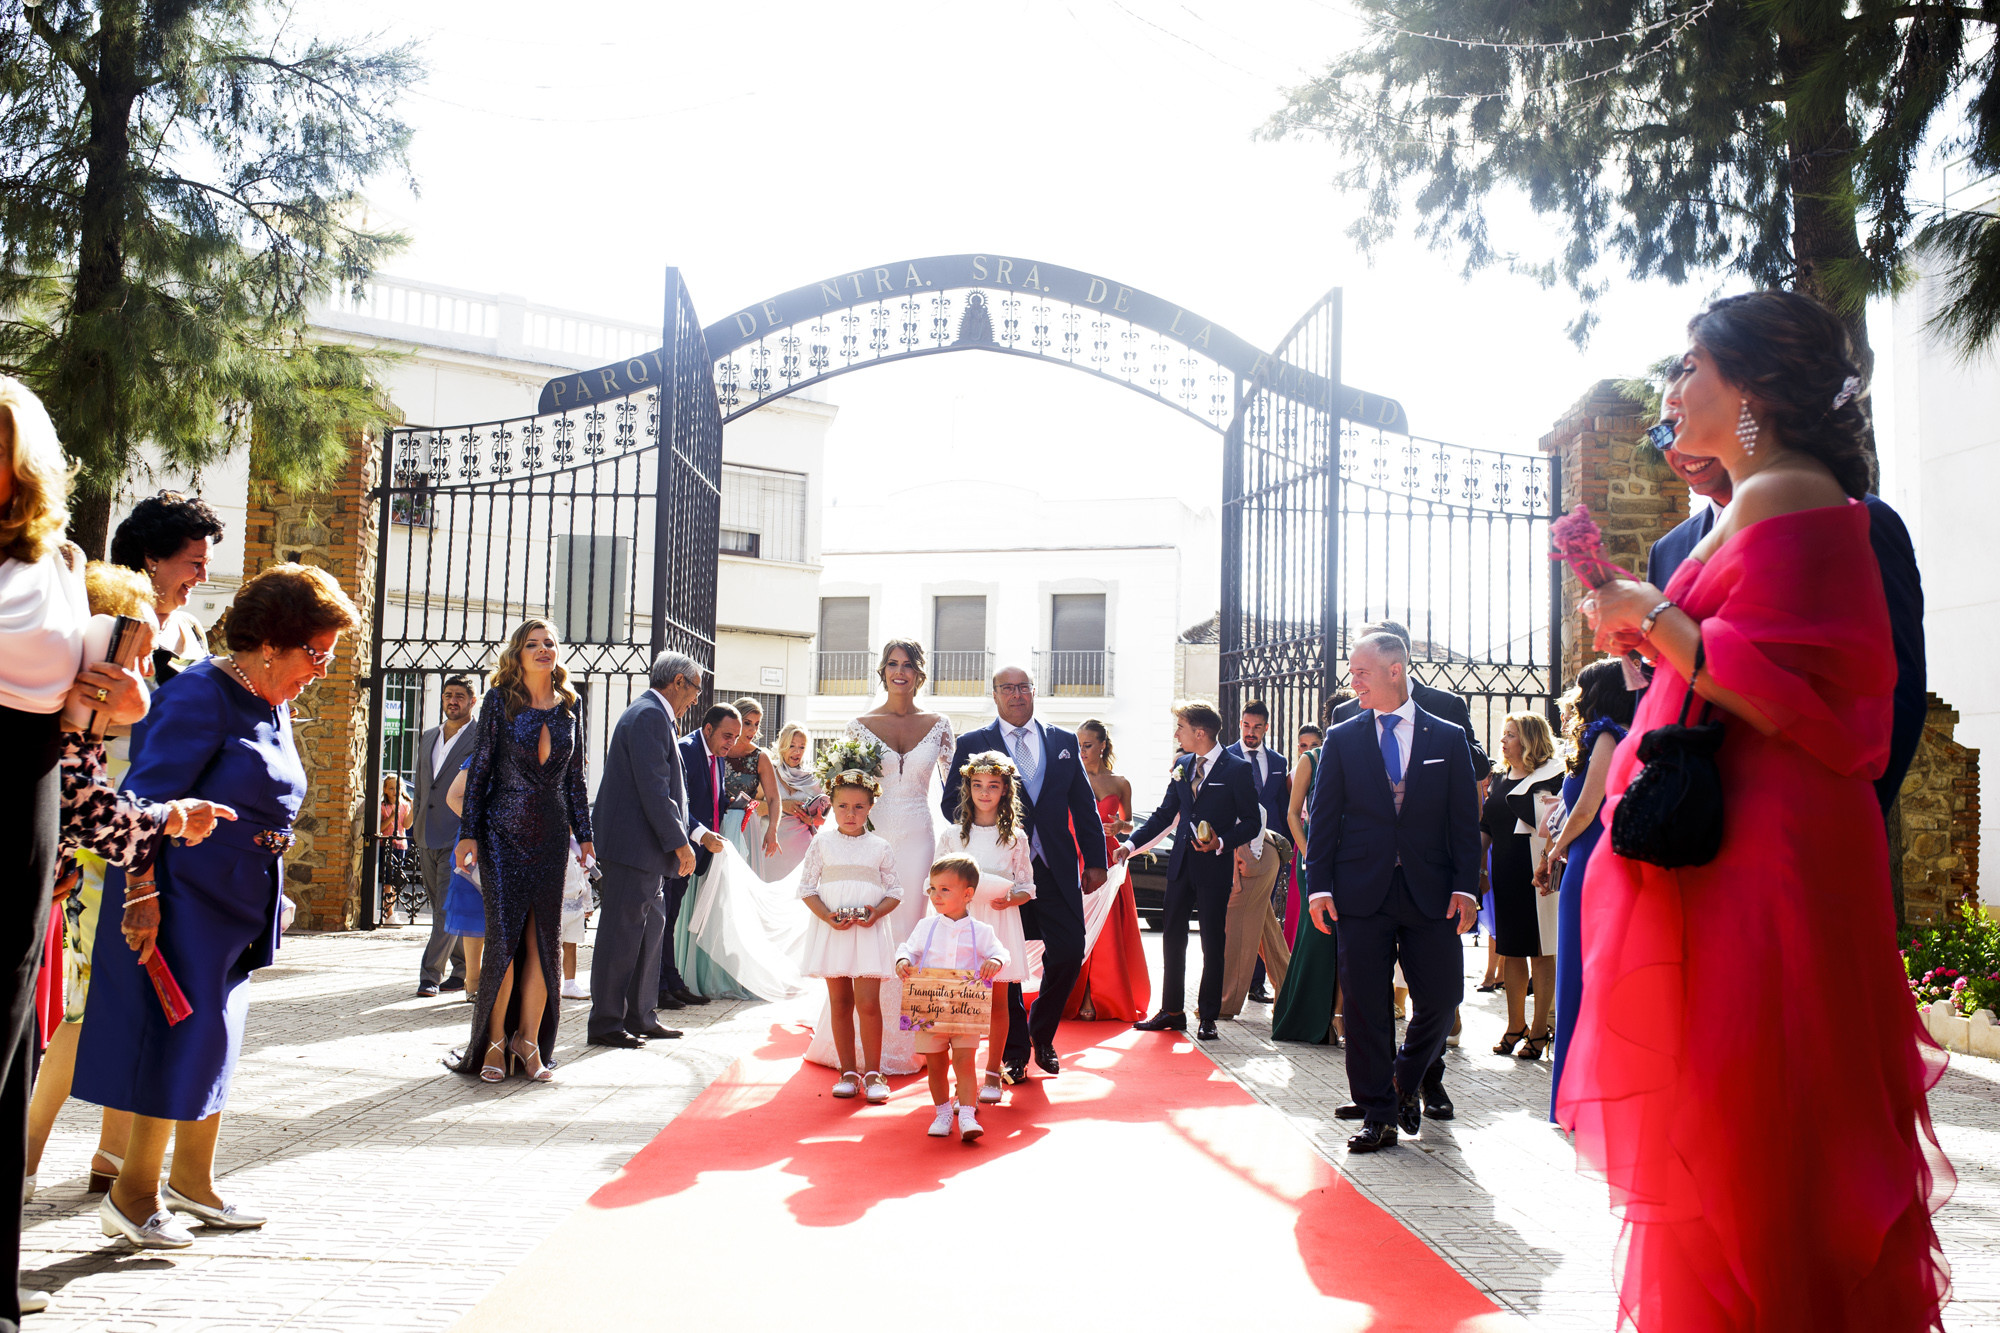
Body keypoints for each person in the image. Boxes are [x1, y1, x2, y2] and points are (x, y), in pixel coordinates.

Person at [1564, 292, 1950, 1328]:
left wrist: (1650, 617)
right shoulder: (1753, 495)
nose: (1671, 389)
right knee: (1732, 1110)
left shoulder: (1790, 493)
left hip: (1770, 848)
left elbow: (1816, 698)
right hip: (1733, 840)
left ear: (1753, 390)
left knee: (1760, 1114)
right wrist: (1644, 626)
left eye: (1692, 366)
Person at [77, 562, 357, 1248]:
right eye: (316, 652)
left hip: (238, 898)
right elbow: (143, 797)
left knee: (215, 1041)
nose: (321, 669)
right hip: (179, 892)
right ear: (272, 642)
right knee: (175, 1038)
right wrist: (140, 892)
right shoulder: (202, 693)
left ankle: (191, 1183)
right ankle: (132, 1193)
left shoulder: (273, 699)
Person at [27, 564, 230, 1208]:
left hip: (62, 888)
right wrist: (169, 822)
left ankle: (105, 1160)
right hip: (75, 886)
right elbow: (81, 800)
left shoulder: (75, 719)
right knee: (69, 1022)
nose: (148, 678)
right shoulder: (54, 715)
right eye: (141, 657)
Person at [1646, 400, 1926, 819]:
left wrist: (1855, 815)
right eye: (1664, 432)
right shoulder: (1668, 551)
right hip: (1693, 822)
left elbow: (1897, 688)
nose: (1680, 443)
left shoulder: (1858, 519)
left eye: (1694, 418)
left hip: (1806, 813)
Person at [1305, 632, 1481, 1153]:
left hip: (1430, 890)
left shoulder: (1447, 737)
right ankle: (1378, 1113)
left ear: (1395, 670)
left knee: (1444, 995)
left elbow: (1463, 823)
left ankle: (1405, 1079)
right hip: (1360, 889)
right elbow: (1325, 818)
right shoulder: (1341, 736)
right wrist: (1318, 888)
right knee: (1363, 1004)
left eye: (1361, 671)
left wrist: (1465, 888)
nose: (1352, 681)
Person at [448, 620, 595, 1083]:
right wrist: (469, 832)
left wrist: (585, 834)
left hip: (551, 837)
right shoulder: (499, 702)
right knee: (506, 943)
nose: (543, 650)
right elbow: (481, 772)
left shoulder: (570, 706)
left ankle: (527, 1041)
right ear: (518, 653)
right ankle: (492, 1041)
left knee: (542, 944)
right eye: (532, 644)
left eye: (550, 643)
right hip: (501, 834)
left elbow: (575, 777)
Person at [942, 663, 1105, 1079]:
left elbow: (1083, 808)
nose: (1016, 695)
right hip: (999, 872)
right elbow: (950, 805)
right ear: (994, 694)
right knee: (1006, 964)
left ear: (1034, 691)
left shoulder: (1064, 741)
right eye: (1007, 688)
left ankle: (1042, 1034)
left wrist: (1097, 860)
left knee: (1069, 952)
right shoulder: (973, 742)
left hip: (1054, 868)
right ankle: (1015, 1050)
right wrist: (985, 827)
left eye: (1023, 687)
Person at [807, 640, 954, 1077]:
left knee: (909, 930)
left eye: (908, 665)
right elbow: (842, 789)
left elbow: (955, 795)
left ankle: (910, 1040)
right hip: (871, 840)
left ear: (920, 673)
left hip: (920, 840)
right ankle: (856, 1048)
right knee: (867, 933)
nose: (900, 671)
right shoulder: (859, 725)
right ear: (882, 671)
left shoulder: (940, 724)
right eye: (892, 664)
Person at [1117, 700, 1261, 1042]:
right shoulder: (1182, 764)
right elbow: (1164, 815)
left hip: (1214, 867)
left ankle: (1208, 1016)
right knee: (1172, 940)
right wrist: (1130, 845)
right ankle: (1172, 1011)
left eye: (1180, 727)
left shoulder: (1236, 769)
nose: (1176, 733)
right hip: (1180, 864)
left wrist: (1222, 842)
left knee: (1212, 941)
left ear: (1199, 732)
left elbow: (1253, 822)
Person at [1537, 660, 1635, 1116]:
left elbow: (1589, 805)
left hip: (1592, 861)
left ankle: (1581, 1100)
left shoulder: (1606, 735)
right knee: (1583, 972)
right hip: (1593, 859)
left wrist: (1556, 850)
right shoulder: (1616, 734)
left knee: (1581, 972)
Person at [587, 653, 699, 1049]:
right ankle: (606, 1022)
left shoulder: (651, 713)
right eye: (696, 689)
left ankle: (641, 1015)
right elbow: (655, 790)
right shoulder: (650, 715)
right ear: (680, 681)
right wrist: (681, 843)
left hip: (645, 850)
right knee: (621, 936)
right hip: (634, 848)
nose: (696, 701)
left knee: (650, 932)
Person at [935, 752, 1034, 1106]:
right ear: (968, 789)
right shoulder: (951, 835)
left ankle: (994, 1071)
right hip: (963, 923)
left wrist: (1012, 899)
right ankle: (963, 1073)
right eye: (978, 786)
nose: (985, 793)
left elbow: (1027, 886)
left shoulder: (1015, 837)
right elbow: (935, 883)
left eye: (993, 786)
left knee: (998, 1002)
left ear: (1005, 790)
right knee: (961, 1001)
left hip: (999, 920)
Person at [798, 770, 903, 1103]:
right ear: (832, 805)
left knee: (868, 1004)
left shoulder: (879, 846)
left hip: (867, 933)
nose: (850, 814)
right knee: (840, 1002)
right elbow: (806, 888)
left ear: (871, 807)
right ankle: (847, 1071)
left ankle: (874, 1072)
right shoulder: (822, 842)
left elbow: (896, 890)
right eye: (843, 806)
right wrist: (826, 917)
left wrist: (877, 912)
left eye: (859, 806)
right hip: (835, 932)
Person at [896, 855, 1007, 1142]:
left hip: (965, 1011)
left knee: (964, 1061)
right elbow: (908, 949)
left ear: (968, 894)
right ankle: (943, 1112)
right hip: (929, 1009)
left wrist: (995, 960)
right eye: (933, 888)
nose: (936, 895)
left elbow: (999, 951)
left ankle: (967, 1114)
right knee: (936, 1065)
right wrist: (903, 960)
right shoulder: (925, 927)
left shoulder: (981, 931)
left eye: (945, 889)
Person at [1481, 712, 1565, 1061]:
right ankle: (1515, 1025)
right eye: (1503, 734)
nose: (1503, 741)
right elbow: (1486, 825)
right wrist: (1476, 866)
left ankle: (1540, 1030)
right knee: (1511, 950)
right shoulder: (1500, 777)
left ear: (1529, 740)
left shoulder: (1555, 776)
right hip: (1505, 872)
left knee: (1542, 950)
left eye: (1511, 735)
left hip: (1539, 872)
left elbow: (1560, 822)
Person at [1064, 718, 1147, 1024]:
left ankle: (1094, 996)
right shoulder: (1069, 777)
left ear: (1102, 745)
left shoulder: (1120, 782)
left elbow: (1129, 824)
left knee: (1106, 929)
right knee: (1077, 926)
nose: (1082, 751)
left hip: (1109, 858)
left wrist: (1119, 826)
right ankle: (1071, 993)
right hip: (1074, 855)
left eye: (1088, 745)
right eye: (1078, 746)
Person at [660, 702, 738, 1010]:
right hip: (678, 849)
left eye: (735, 737)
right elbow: (679, 804)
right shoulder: (686, 750)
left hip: (701, 853)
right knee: (664, 920)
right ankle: (661, 986)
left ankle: (671, 981)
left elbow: (713, 799)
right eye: (727, 736)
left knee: (672, 917)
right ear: (708, 729)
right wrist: (700, 836)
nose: (731, 743)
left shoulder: (717, 758)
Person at [106, 490, 222, 688]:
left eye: (207, 564)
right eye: (195, 563)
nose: (204, 577)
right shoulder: (114, 628)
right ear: (152, 558)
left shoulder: (191, 627)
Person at [412, 676, 478, 997]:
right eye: (448, 695)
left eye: (460, 696)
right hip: (426, 833)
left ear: (472, 701)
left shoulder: (481, 738)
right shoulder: (427, 737)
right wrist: (414, 825)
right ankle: (463, 968)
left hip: (458, 836)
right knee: (439, 903)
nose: (453, 701)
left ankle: (430, 975)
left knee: (446, 909)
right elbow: (423, 787)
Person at [1227, 699, 1289, 1003]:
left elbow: (1281, 807)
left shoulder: (1278, 763)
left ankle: (1257, 984)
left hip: (1269, 852)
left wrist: (1285, 852)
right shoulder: (1225, 758)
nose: (1251, 732)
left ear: (1266, 727)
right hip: (1235, 849)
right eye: (1246, 725)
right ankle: (1239, 985)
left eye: (1257, 726)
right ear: (1240, 724)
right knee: (1244, 919)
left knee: (1264, 916)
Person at [441, 760, 486, 1004]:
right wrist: (484, 823)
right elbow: (454, 796)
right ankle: (473, 981)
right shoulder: (478, 755)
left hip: (517, 841)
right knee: (473, 913)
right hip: (476, 840)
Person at [721, 697, 781, 869]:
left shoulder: (760, 757)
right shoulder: (717, 750)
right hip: (715, 823)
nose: (753, 729)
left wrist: (772, 830)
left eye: (757, 724)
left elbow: (774, 799)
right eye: (748, 723)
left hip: (746, 827)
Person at [762, 722, 823, 879]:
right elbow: (754, 808)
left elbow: (824, 819)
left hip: (802, 849)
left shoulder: (813, 778)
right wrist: (782, 806)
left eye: (802, 747)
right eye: (792, 746)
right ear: (782, 745)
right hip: (771, 846)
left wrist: (814, 820)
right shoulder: (768, 770)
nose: (797, 751)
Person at [377, 772, 414, 922]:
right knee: (388, 880)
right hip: (386, 845)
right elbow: (379, 827)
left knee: (396, 879)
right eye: (391, 788)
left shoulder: (404, 806)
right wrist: (392, 817)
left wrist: (411, 809)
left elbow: (406, 825)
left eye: (397, 787)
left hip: (400, 845)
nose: (395, 791)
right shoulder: (383, 806)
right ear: (385, 789)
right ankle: (389, 913)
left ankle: (390, 910)